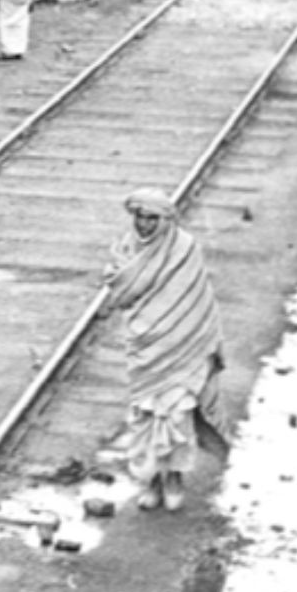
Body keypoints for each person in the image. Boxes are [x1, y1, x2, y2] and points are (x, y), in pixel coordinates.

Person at [99, 189, 230, 512]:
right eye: (139, 217)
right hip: (146, 347)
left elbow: (196, 297)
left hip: (183, 345)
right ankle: (152, 480)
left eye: (152, 218)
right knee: (146, 414)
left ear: (165, 220)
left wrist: (201, 338)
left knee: (177, 414)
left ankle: (174, 479)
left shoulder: (184, 248)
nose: (144, 224)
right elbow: (120, 287)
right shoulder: (126, 247)